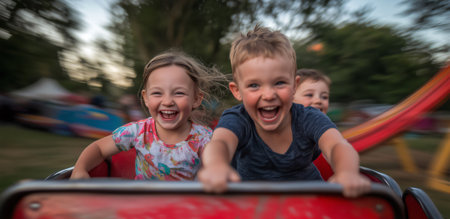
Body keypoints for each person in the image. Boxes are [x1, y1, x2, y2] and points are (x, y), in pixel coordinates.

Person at [198, 25, 371, 197]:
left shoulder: (309, 118)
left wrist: (346, 172)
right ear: (237, 91)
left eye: (279, 83)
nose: (268, 95)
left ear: (295, 85)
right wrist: (217, 166)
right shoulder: (238, 119)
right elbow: (221, 143)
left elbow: (336, 145)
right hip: (251, 207)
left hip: (309, 204)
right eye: (254, 85)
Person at [70, 50, 226, 180]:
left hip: (184, 211)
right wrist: (79, 170)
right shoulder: (138, 132)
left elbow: (217, 164)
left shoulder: (204, 138)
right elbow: (98, 148)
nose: (167, 101)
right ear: (145, 98)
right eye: (157, 93)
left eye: (179, 93)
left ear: (196, 99)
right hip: (143, 209)